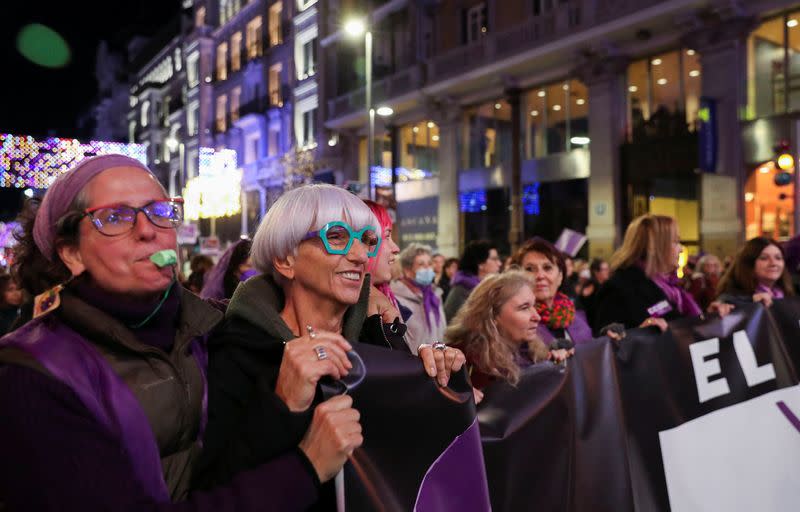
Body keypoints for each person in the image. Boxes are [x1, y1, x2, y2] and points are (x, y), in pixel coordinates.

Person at [0, 154, 352, 511]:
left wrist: (382, 332)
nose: (148, 229)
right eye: (115, 217)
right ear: (72, 253)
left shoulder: (211, 327)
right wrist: (305, 468)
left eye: (160, 211)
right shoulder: (36, 373)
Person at [193, 184, 466, 504]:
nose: (360, 255)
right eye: (336, 237)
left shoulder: (379, 339)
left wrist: (432, 381)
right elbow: (218, 487)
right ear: (285, 259)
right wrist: (283, 406)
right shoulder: (239, 350)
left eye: (367, 241)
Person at [593, 214, 731, 333]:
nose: (681, 249)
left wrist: (708, 317)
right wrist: (641, 334)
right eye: (675, 242)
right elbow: (607, 344)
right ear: (656, 246)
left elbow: (681, 327)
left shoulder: (671, 286)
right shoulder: (620, 288)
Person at [446, 270, 572, 391]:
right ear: (492, 315)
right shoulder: (458, 362)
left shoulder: (534, 354)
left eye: (534, 305)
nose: (537, 317)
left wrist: (555, 366)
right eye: (524, 308)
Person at [511, 238, 593, 344]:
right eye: (530, 269)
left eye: (547, 268)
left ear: (560, 276)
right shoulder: (513, 324)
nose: (540, 276)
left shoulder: (577, 317)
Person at [391, 243, 447, 353]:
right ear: (407, 270)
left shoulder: (435, 296)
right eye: (421, 264)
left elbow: (442, 333)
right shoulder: (397, 299)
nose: (427, 268)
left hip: (437, 363)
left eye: (429, 263)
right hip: (412, 365)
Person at [717, 237, 794, 307]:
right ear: (748, 264)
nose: (773, 263)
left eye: (778, 258)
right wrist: (750, 304)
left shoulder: (789, 295)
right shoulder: (730, 300)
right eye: (764, 258)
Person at [444, 240, 501, 323]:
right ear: (480, 264)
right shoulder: (462, 291)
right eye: (494, 259)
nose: (499, 263)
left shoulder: (489, 288)